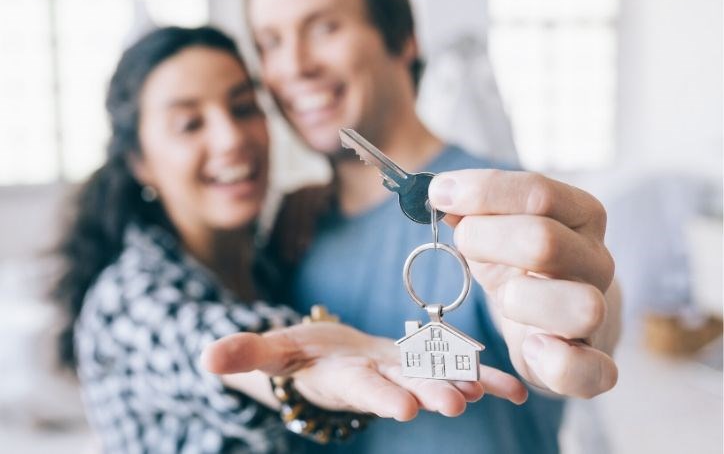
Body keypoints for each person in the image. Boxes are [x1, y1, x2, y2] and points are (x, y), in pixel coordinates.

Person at [202, 0, 623, 453]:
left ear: (402, 38)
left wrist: (572, 323)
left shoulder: (489, 199)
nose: (294, 65)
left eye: (324, 27)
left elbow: (563, 297)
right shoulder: (290, 223)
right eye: (271, 41)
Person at [51, 26, 526, 454]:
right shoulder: (128, 299)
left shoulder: (278, 253)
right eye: (190, 124)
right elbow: (217, 347)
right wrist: (300, 362)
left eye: (242, 107)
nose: (231, 137)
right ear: (139, 162)